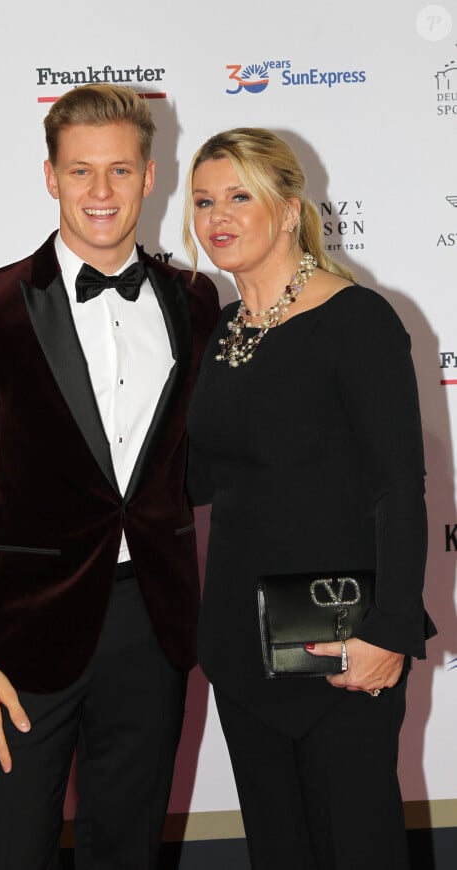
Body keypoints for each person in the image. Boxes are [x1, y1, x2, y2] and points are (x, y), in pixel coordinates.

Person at [0, 83, 219, 870]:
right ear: (50, 176)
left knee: (129, 849)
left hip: (150, 624)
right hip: (17, 638)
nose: (101, 193)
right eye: (81, 172)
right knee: (12, 851)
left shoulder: (192, 301)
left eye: (119, 171)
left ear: (152, 176)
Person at [183, 127, 436, 870]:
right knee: (277, 849)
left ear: (289, 210)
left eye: (238, 196)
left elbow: (400, 485)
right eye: (202, 200)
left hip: (341, 640)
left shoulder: (358, 319)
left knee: (356, 844)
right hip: (239, 642)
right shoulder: (227, 331)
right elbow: (203, 480)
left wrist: (391, 631)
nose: (216, 216)